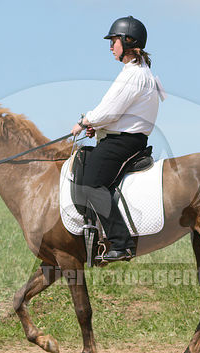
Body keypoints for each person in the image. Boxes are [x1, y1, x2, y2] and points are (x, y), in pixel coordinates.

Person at [71, 15, 164, 263]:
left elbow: (109, 110)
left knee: (90, 184)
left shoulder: (133, 74)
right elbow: (118, 113)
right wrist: (97, 127)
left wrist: (85, 122)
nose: (111, 46)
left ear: (127, 41)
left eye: (114, 41)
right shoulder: (140, 72)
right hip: (122, 138)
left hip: (123, 142)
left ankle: (120, 244)